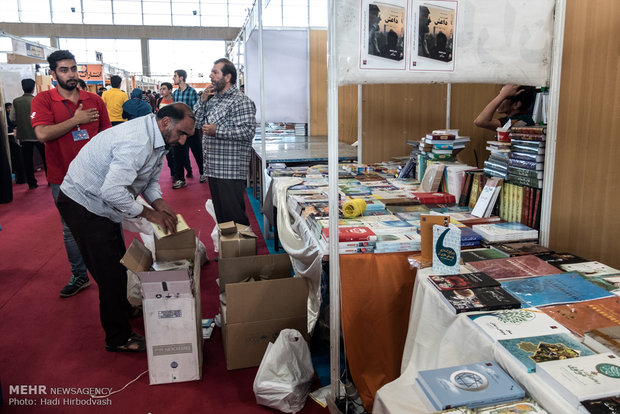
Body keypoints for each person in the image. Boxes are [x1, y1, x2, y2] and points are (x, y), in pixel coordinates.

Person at [56, 103, 196, 353]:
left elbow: (150, 178)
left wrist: (159, 202)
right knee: (109, 273)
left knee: (117, 262)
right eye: (181, 133)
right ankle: (117, 337)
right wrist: (149, 213)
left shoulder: (159, 138)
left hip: (102, 203)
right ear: (165, 123)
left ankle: (122, 308)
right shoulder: (137, 142)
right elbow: (112, 191)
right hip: (83, 203)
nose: (183, 141)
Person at [31, 49, 111, 298]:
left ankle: (115, 272)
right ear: (53, 73)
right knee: (70, 228)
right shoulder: (43, 100)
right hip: (62, 177)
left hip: (97, 175)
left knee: (109, 222)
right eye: (64, 70)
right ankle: (79, 275)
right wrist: (76, 120)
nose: (71, 74)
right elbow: (42, 134)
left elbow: (107, 137)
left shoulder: (94, 100)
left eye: (73, 68)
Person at [194, 58, 256, 226]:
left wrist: (217, 131)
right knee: (222, 218)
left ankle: (243, 252)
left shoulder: (240, 101)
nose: (210, 76)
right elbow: (196, 123)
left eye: (215, 72)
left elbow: (248, 131)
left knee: (234, 217)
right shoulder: (212, 99)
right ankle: (230, 250)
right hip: (213, 168)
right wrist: (202, 101)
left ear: (227, 77)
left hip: (230, 169)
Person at [172, 69, 205, 188]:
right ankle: (180, 179)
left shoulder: (191, 92)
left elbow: (195, 110)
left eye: (175, 76)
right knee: (178, 154)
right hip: (178, 129)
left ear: (181, 78)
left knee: (197, 151)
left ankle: (203, 172)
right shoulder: (175, 93)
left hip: (191, 128)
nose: (173, 78)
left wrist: (190, 125)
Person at [11, 78, 46, 189]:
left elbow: (12, 118)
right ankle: (50, 179)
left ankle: (32, 183)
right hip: (38, 134)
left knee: (27, 160)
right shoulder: (37, 100)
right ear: (33, 88)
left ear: (22, 87)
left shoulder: (16, 101)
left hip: (24, 136)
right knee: (46, 158)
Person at [5, 102, 26, 185]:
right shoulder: (6, 120)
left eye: (10, 108)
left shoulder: (12, 119)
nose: (9, 109)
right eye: (8, 108)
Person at [157, 82, 175, 177]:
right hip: (164, 132)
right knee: (167, 153)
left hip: (174, 130)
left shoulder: (175, 100)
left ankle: (187, 169)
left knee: (177, 153)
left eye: (164, 89)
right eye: (161, 89)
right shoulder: (159, 100)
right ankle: (173, 172)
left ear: (170, 90)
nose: (162, 91)